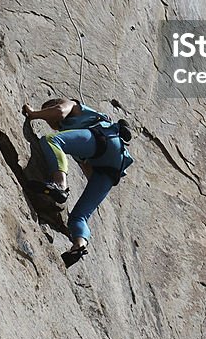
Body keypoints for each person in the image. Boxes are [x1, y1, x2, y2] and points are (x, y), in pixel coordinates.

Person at [22, 97, 133, 266]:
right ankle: (79, 245)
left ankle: (60, 186)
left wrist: (34, 113)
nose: (49, 119)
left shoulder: (73, 105)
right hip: (110, 168)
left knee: (52, 140)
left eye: (48, 114)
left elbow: (59, 110)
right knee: (78, 217)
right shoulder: (77, 138)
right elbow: (88, 172)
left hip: (102, 139)